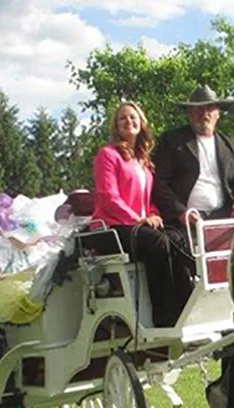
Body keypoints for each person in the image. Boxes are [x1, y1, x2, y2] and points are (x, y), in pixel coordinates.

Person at [90, 102, 194, 327]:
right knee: (157, 243)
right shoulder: (108, 155)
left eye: (133, 117)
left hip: (138, 226)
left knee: (178, 239)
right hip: (111, 228)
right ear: (116, 127)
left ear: (141, 123)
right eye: (122, 119)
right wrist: (138, 219)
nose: (129, 121)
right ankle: (162, 315)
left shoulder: (144, 162)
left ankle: (187, 301)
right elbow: (109, 197)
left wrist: (154, 215)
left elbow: (149, 201)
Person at [152, 85, 234, 226]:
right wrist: (180, 212)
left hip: (224, 216)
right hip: (185, 220)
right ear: (189, 113)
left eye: (210, 108)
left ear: (218, 113)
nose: (204, 113)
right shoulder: (172, 141)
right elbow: (160, 183)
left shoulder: (231, 145)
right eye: (199, 109)